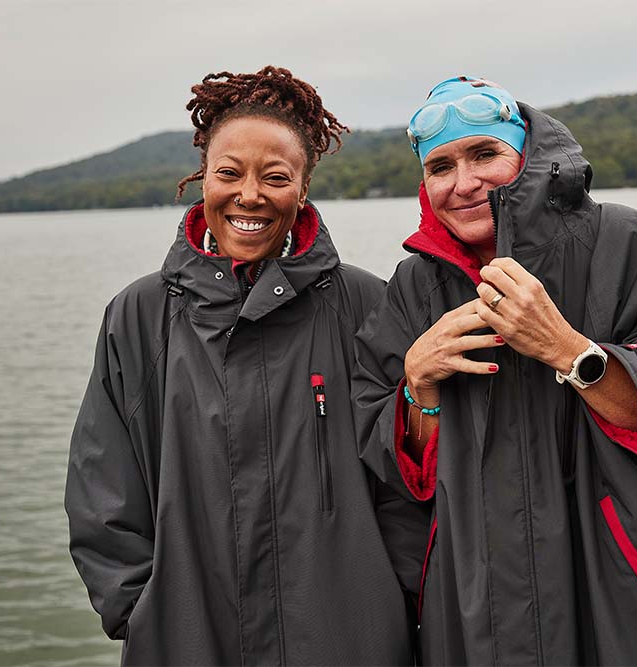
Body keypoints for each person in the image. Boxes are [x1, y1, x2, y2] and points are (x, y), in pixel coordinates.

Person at [354, 76, 637, 665]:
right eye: (440, 166)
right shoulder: (411, 290)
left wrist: (570, 352)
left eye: (484, 154)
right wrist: (417, 386)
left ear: (526, 157)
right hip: (479, 617)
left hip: (634, 603)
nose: (464, 182)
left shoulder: (626, 241)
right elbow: (391, 472)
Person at [65, 66, 420, 666]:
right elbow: (104, 486)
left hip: (352, 642)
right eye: (228, 172)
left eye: (275, 176)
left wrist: (394, 599)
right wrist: (141, 613)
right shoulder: (140, 314)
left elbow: (407, 474)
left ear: (303, 189)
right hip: (187, 641)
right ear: (203, 176)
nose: (249, 195)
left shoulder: (366, 305)